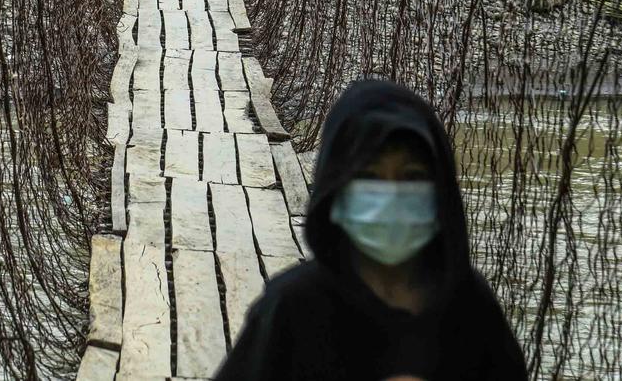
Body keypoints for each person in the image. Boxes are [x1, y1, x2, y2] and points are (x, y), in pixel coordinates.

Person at [214, 78, 528, 381]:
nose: (391, 195)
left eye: (412, 176)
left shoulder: (469, 306)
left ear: (440, 190)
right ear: (337, 189)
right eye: (370, 176)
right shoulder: (292, 308)